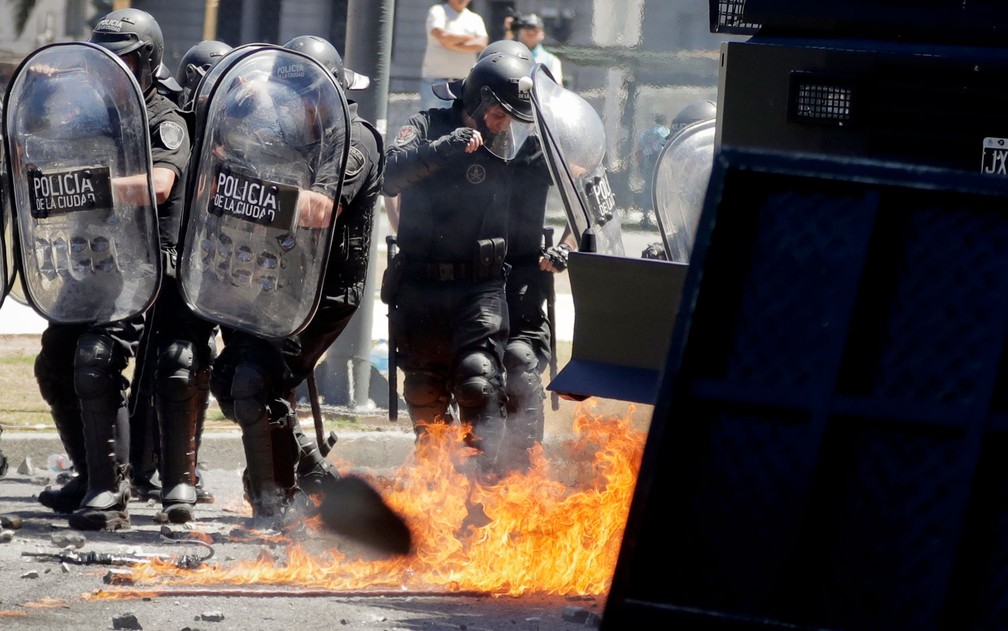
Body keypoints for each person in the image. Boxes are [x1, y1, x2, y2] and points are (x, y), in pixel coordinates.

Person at [207, 36, 397, 537]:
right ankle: (306, 467)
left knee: (254, 382)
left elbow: (318, 210)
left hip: (324, 293)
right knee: (230, 381)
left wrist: (248, 188)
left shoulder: (354, 140)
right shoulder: (290, 132)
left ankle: (276, 506)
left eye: (307, 97)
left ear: (328, 92)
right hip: (274, 279)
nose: (298, 107)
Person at [34, 8, 196, 530]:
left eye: (122, 60)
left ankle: (110, 493)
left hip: (139, 264)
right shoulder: (90, 113)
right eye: (102, 59)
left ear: (148, 62)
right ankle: (89, 474)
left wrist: (86, 185)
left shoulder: (163, 118)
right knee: (54, 363)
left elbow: (163, 184)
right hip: (88, 259)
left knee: (97, 359)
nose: (111, 70)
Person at [382, 52, 535, 477]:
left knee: (478, 379)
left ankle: (483, 484)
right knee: (424, 389)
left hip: (480, 286)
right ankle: (435, 479)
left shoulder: (516, 143)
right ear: (479, 101)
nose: (506, 123)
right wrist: (442, 150)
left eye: (512, 117)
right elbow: (388, 175)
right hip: (421, 282)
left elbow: (573, 166)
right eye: (501, 113)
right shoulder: (426, 125)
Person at [125, 39, 234, 509]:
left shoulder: (243, 135)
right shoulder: (175, 125)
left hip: (223, 269)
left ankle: (180, 471)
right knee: (168, 365)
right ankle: (148, 470)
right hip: (170, 266)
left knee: (191, 368)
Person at [420, 0, 488, 111]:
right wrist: (470, 37)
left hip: (464, 85)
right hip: (436, 83)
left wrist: (450, 45)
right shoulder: (438, 11)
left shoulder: (475, 18)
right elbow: (441, 35)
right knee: (431, 125)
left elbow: (482, 43)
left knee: (460, 126)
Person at [509, 13, 563, 85]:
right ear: (520, 31)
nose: (531, 33)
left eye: (535, 30)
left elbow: (556, 88)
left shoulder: (552, 60)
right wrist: (508, 32)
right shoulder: (510, 54)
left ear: (542, 34)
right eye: (527, 29)